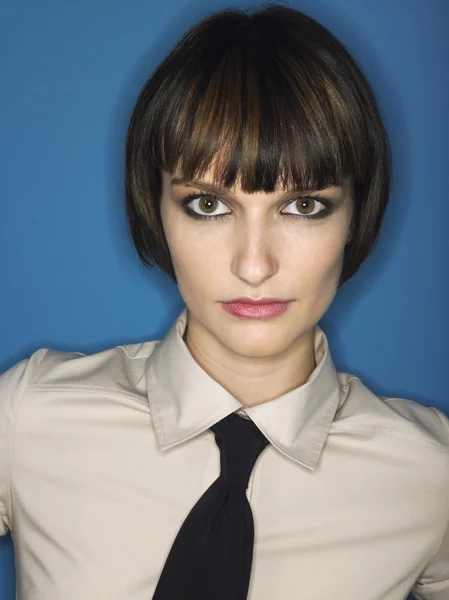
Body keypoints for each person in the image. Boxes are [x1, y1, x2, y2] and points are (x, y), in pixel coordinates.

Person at [1, 4, 448, 599]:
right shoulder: (29, 418)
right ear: (155, 210)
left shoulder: (429, 475)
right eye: (208, 206)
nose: (254, 264)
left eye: (305, 205)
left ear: (355, 216)